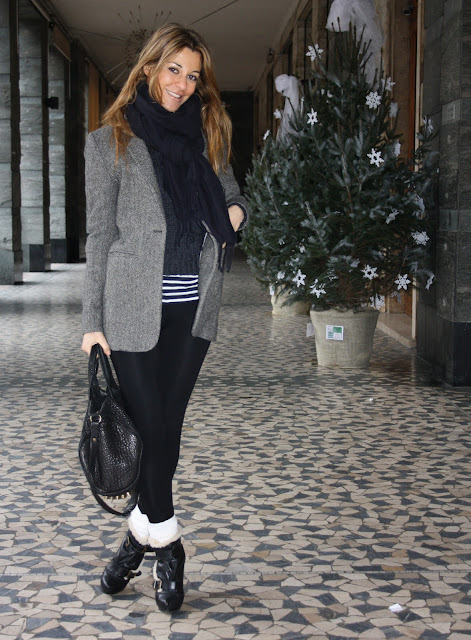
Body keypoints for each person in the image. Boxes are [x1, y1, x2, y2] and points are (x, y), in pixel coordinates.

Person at [81, 23, 249, 613]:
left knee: (166, 429)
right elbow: (98, 234)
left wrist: (233, 214)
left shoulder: (208, 135)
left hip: (192, 307)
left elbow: (233, 193)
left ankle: (136, 539)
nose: (182, 84)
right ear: (149, 67)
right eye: (173, 69)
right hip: (131, 309)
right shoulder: (109, 143)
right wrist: (92, 319)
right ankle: (169, 544)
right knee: (150, 424)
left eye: (193, 75)